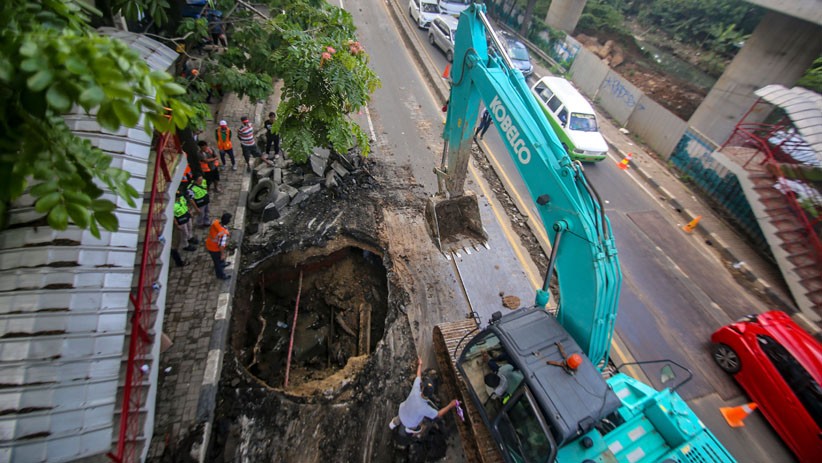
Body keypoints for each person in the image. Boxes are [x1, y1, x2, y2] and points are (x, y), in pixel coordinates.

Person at [389, 357, 459, 435]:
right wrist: (450, 405)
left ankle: (393, 424)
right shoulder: (425, 408)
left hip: (401, 411)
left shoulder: (415, 390)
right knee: (416, 425)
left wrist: (420, 364)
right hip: (410, 423)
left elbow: (418, 376)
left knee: (400, 417)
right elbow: (438, 414)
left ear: (422, 388)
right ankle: (410, 429)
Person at [205, 212, 232, 281]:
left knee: (219, 260)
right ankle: (220, 275)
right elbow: (221, 246)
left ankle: (222, 263)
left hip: (209, 243)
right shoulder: (223, 234)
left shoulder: (215, 222)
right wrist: (223, 254)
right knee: (217, 263)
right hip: (214, 249)